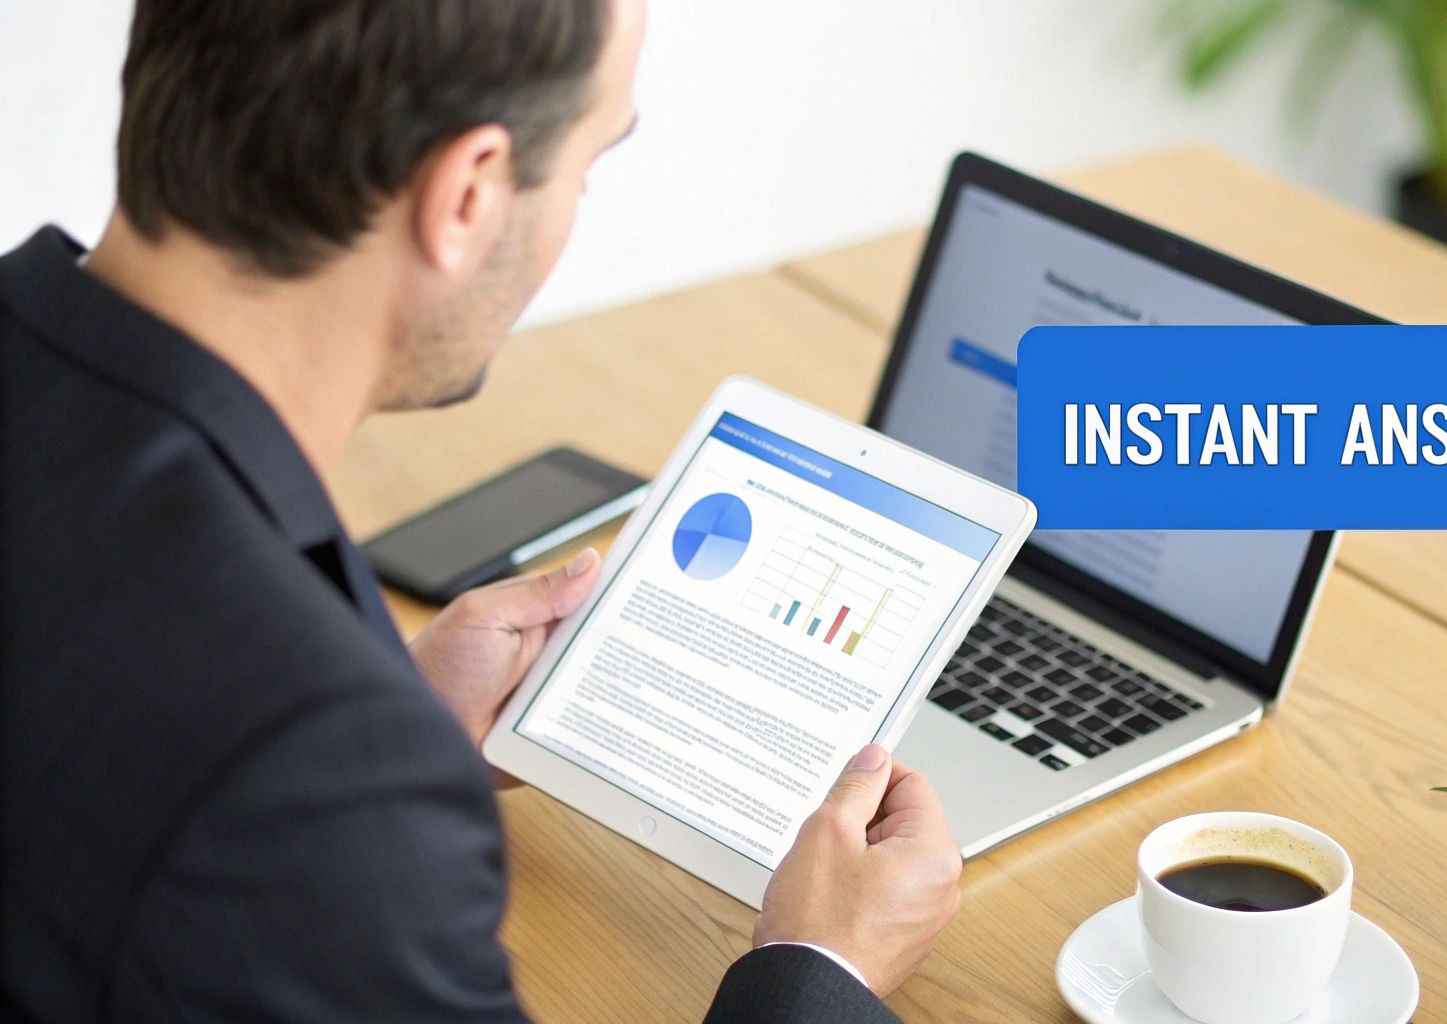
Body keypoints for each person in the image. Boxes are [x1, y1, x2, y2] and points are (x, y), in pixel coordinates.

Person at [0, 1, 963, 1021]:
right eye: (586, 169)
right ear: (465, 196)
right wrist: (820, 969)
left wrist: (389, 720)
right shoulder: (314, 770)